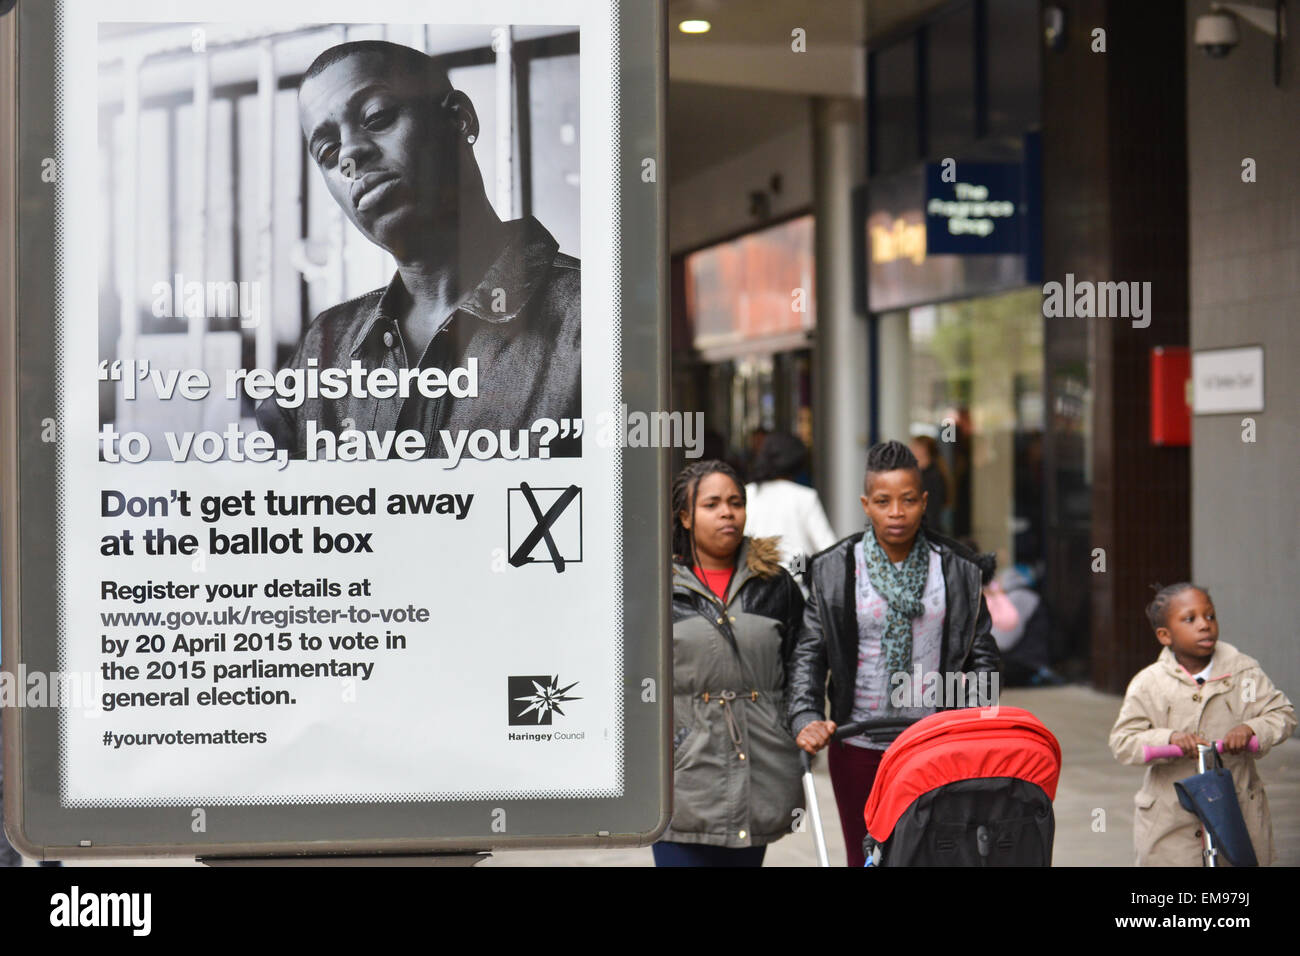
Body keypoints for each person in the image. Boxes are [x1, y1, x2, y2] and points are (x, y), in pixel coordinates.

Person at [258, 40, 580, 459]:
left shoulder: (595, 318)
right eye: (329, 151)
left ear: (460, 118)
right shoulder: (324, 346)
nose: (351, 157)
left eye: (377, 117)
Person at [787, 440, 1001, 867]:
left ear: (924, 502)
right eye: (883, 501)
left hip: (934, 744)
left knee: (935, 854)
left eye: (907, 500)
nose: (896, 513)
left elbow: (982, 656)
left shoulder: (957, 568)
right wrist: (806, 716)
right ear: (866, 505)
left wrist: (977, 720)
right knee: (867, 856)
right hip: (857, 744)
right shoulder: (833, 569)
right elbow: (810, 653)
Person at [659, 460, 805, 866]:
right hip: (682, 779)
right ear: (685, 517)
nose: (727, 512)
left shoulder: (776, 586)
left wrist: (800, 721)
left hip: (759, 774)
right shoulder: (656, 585)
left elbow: (802, 664)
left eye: (735, 502)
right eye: (712, 504)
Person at [1108, 584, 1296, 866]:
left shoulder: (1243, 672)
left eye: (1210, 616)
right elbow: (1123, 742)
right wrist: (1167, 739)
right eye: (1190, 619)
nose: (1204, 626)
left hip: (1237, 809)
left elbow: (1282, 714)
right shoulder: (1150, 683)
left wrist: (1252, 729)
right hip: (1171, 819)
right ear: (1164, 635)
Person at [743, 432, 836, 584]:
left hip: (753, 583)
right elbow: (827, 549)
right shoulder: (804, 497)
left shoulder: (747, 493)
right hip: (796, 587)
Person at [909, 435, 951, 534]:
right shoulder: (919, 474)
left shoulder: (932, 476)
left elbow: (932, 510)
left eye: (915, 446)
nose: (911, 449)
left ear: (924, 450)